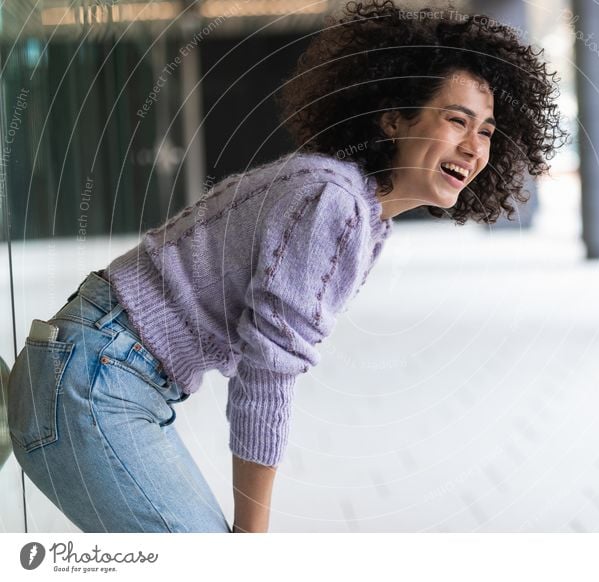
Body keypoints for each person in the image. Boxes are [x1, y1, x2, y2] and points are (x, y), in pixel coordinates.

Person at [7, 0, 564, 533]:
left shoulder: (355, 206)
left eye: (486, 131)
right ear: (394, 118)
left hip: (100, 371)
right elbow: (268, 370)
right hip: (95, 379)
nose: (474, 146)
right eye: (457, 121)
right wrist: (254, 536)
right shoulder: (335, 201)